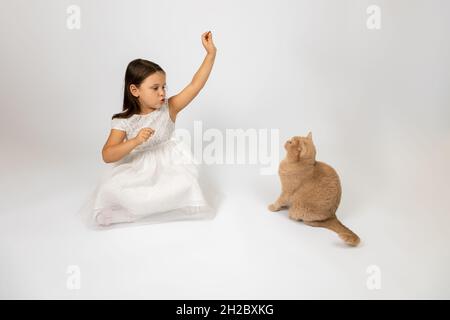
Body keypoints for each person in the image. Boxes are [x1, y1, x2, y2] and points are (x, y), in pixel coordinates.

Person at [78, 31, 219, 229]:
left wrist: (210, 54)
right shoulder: (123, 121)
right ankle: (133, 210)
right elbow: (107, 155)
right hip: (137, 169)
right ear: (135, 91)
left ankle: (169, 204)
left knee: (186, 182)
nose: (162, 93)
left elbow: (195, 85)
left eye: (164, 87)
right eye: (155, 88)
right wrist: (134, 141)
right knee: (111, 188)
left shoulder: (170, 108)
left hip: (169, 166)